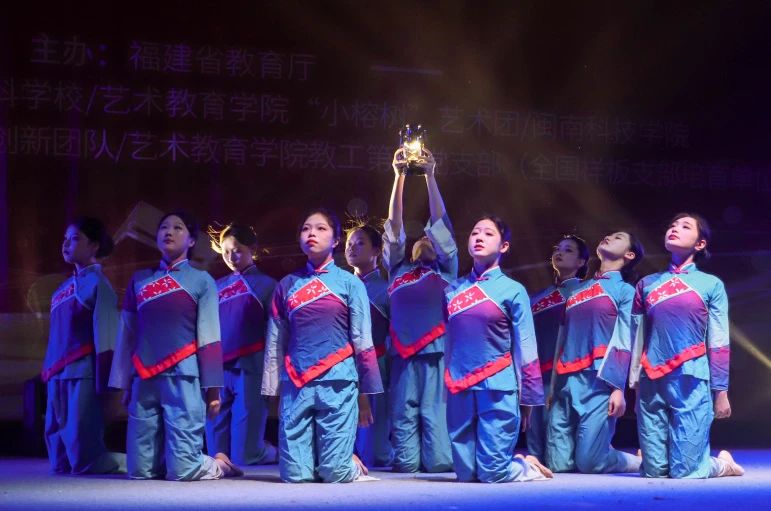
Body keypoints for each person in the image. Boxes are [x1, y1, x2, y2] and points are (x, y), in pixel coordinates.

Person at [109, 211, 240, 480]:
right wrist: (124, 383)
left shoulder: (201, 280)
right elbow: (127, 333)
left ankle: (220, 465)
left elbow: (210, 337)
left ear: (191, 241)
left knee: (183, 470)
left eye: (178, 228)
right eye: (164, 227)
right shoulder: (139, 280)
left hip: (184, 377)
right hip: (143, 378)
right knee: (140, 472)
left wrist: (213, 391)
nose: (169, 232)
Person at [262, 208, 383, 483]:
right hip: (295, 383)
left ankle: (348, 462)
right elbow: (275, 341)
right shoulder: (286, 285)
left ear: (336, 239)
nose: (311, 233)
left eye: (320, 228)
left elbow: (363, 340)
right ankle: (332, 456)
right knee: (294, 476)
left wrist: (365, 393)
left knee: (334, 473)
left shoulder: (350, 283)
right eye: (306, 229)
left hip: (338, 382)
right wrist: (273, 390)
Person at [629, 213, 744, 478]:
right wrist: (634, 384)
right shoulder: (646, 284)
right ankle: (658, 456)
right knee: (654, 471)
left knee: (686, 471)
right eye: (672, 225)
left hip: (691, 376)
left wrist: (720, 390)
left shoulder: (711, 284)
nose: (674, 228)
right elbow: (636, 337)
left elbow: (719, 340)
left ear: (700, 244)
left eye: (685, 226)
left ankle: (722, 464)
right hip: (651, 377)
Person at [444, 215, 553, 482]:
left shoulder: (513, 290)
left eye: (488, 233)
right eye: (475, 232)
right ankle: (512, 460)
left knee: (492, 473)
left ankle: (526, 467)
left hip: (498, 386)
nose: (479, 237)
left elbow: (526, 345)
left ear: (504, 246)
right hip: (459, 386)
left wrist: (528, 398)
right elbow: (450, 342)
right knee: (465, 475)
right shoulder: (452, 290)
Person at [545, 230, 644, 474]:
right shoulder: (577, 290)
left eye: (618, 237)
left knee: (590, 463)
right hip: (565, 380)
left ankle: (639, 461)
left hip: (598, 379)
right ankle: (601, 449)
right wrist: (553, 387)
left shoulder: (625, 291)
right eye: (609, 235)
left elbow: (625, 339)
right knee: (558, 465)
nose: (609, 237)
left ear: (629, 255)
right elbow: (562, 339)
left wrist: (618, 388)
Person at [383, 148, 455, 473]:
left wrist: (430, 175)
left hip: (437, 353)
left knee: (438, 458)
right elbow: (394, 227)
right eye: (420, 237)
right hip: (401, 354)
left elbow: (440, 223)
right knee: (405, 457)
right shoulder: (397, 271)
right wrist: (399, 176)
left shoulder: (447, 271)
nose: (426, 237)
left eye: (431, 238)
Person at [43, 217, 126, 474]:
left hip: (83, 374)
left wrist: (108, 387)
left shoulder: (99, 284)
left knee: (86, 460)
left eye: (75, 238)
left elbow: (107, 337)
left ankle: (144, 460)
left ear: (94, 246)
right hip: (56, 374)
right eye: (65, 238)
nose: (66, 244)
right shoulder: (62, 289)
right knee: (60, 461)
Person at [205, 223, 278, 465]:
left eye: (237, 250)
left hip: (251, 368)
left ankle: (274, 452)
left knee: (244, 455)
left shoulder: (268, 285)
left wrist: (274, 375)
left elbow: (276, 333)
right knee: (216, 454)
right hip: (217, 373)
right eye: (225, 252)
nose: (231, 257)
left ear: (252, 249)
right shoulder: (215, 286)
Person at [526, 235, 588, 461]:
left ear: (581, 262)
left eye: (568, 250)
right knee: (535, 433)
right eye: (557, 248)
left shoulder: (585, 292)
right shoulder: (535, 297)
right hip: (536, 372)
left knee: (560, 441)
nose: (559, 252)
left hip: (566, 372)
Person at [345, 223, 393, 467]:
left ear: (376, 250)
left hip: (375, 368)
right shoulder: (339, 286)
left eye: (360, 243)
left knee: (374, 455)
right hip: (340, 368)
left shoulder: (387, 290)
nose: (352, 248)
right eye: (349, 243)